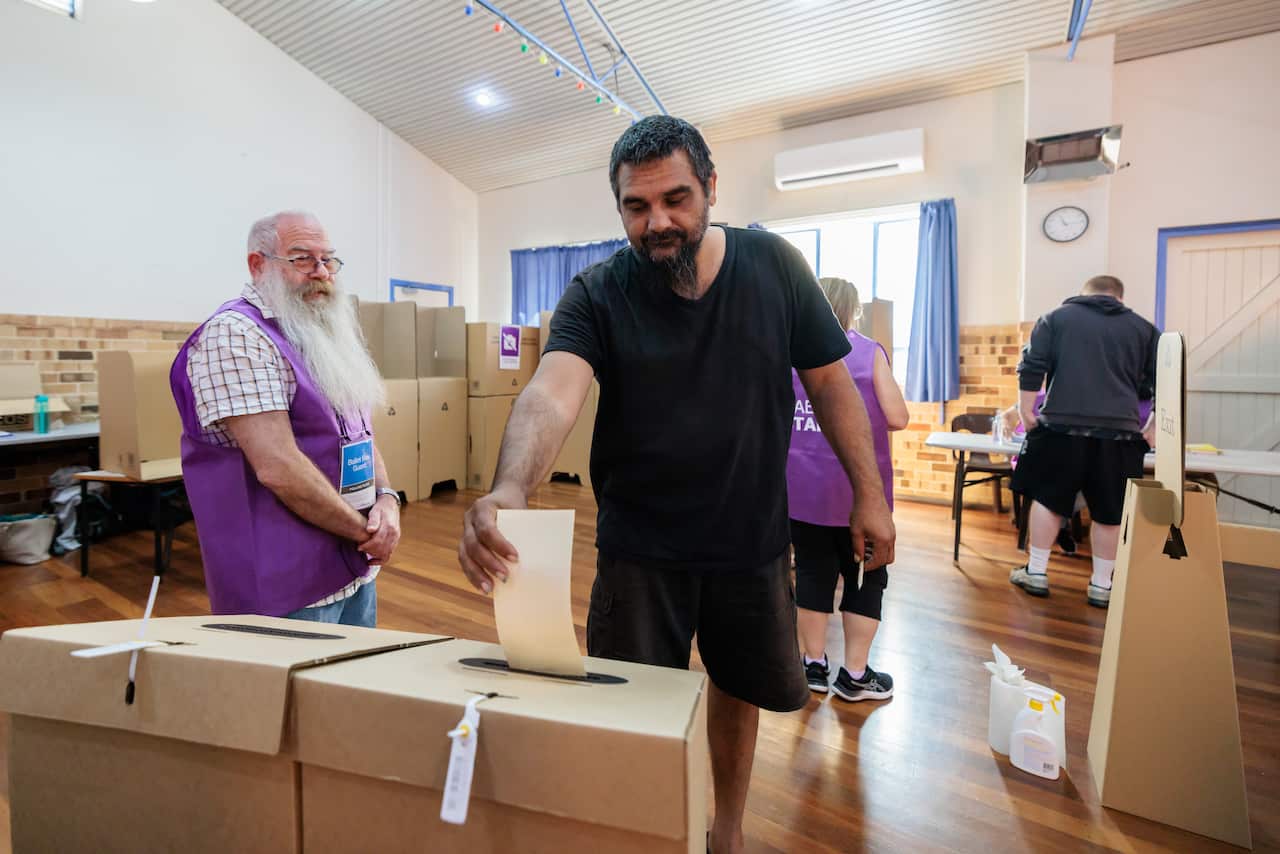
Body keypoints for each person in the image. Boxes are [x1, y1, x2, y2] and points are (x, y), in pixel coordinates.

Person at [457, 116, 895, 854]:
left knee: (737, 692)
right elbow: (552, 392)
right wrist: (509, 489)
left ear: (711, 190)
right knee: (632, 705)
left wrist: (871, 494)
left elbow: (829, 382)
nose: (658, 221)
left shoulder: (775, 265)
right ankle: (648, 830)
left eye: (677, 199)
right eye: (637, 206)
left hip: (749, 540)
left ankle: (726, 829)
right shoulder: (597, 292)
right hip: (639, 550)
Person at [170, 211, 402, 626]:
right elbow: (278, 466)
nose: (321, 272)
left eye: (328, 259)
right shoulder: (236, 334)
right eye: (302, 259)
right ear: (258, 265)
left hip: (354, 562)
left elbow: (359, 433)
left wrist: (388, 499)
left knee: (349, 686)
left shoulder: (318, 330)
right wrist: (363, 533)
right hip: (286, 579)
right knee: (289, 690)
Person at [788, 277, 908, 702]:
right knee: (865, 581)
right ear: (853, 310)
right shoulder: (868, 351)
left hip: (802, 493)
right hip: (859, 497)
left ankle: (813, 666)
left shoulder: (790, 351)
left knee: (812, 575)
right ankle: (855, 675)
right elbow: (897, 417)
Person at [1009, 275, 1157, 608]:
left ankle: (1036, 572)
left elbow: (1031, 367)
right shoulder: (1144, 329)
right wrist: (1153, 425)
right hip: (1120, 434)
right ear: (1119, 297)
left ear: (1083, 295)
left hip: (1061, 428)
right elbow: (1163, 378)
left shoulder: (1056, 318)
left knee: (1048, 500)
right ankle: (1102, 585)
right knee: (1110, 511)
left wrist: (1025, 409)